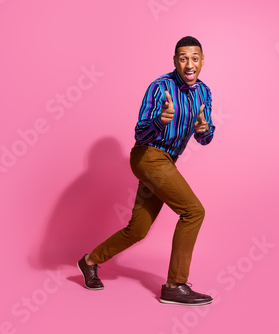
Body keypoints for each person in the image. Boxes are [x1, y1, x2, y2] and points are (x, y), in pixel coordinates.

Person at [77, 36, 215, 305]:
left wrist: (204, 129)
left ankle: (89, 260)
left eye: (195, 58)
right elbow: (140, 132)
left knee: (138, 230)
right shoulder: (160, 87)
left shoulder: (204, 92)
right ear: (175, 60)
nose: (190, 64)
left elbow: (205, 137)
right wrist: (160, 121)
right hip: (148, 156)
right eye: (184, 58)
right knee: (193, 212)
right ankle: (175, 284)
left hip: (166, 161)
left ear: (202, 61)